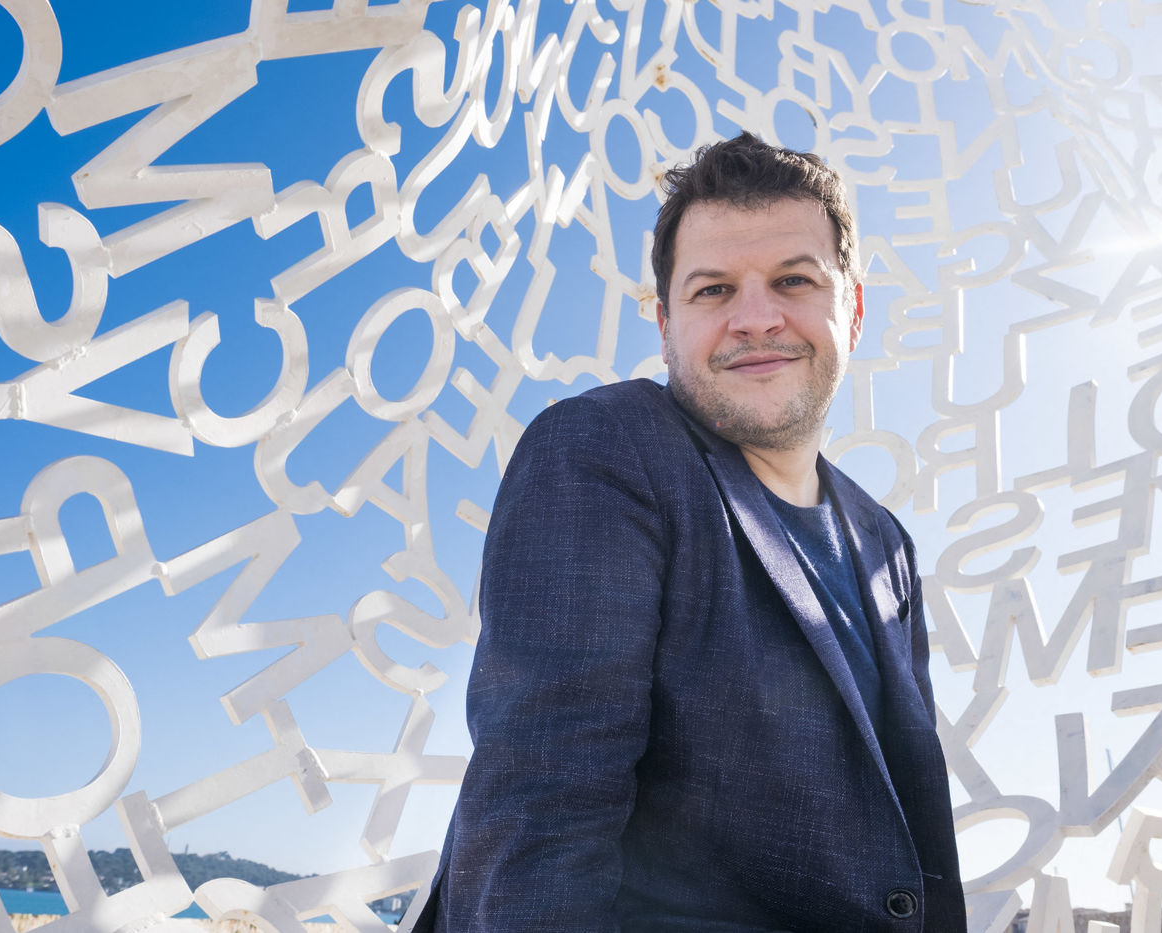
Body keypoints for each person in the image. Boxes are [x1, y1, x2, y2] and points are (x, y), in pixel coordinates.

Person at [410, 132, 966, 932]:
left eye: (793, 280)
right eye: (713, 290)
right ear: (666, 326)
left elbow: (911, 841)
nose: (756, 318)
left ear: (852, 309)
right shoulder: (602, 451)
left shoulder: (887, 543)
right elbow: (540, 814)